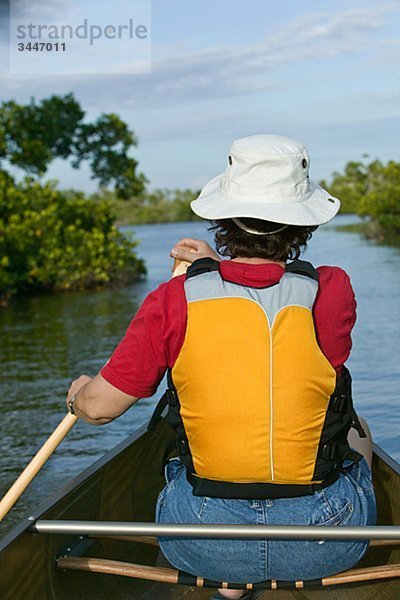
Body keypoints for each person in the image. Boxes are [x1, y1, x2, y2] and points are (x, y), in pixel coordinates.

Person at [66, 135, 376, 599]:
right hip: (325, 541)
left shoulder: (174, 301)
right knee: (355, 425)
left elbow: (99, 409)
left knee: (177, 449)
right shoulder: (332, 289)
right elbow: (276, 320)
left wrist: (78, 392)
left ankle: (232, 585)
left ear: (223, 218)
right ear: (301, 225)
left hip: (204, 543)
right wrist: (215, 272)